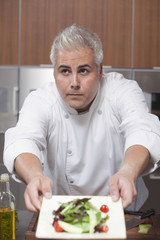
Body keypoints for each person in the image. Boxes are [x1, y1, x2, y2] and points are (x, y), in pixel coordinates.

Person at [3, 24, 160, 212]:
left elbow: (141, 130)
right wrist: (35, 176)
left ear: (100, 71)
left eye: (84, 71)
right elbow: (23, 141)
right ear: (54, 72)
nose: (74, 83)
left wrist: (127, 173)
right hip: (62, 211)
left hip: (123, 210)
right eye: (65, 71)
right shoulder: (41, 100)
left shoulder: (122, 91)